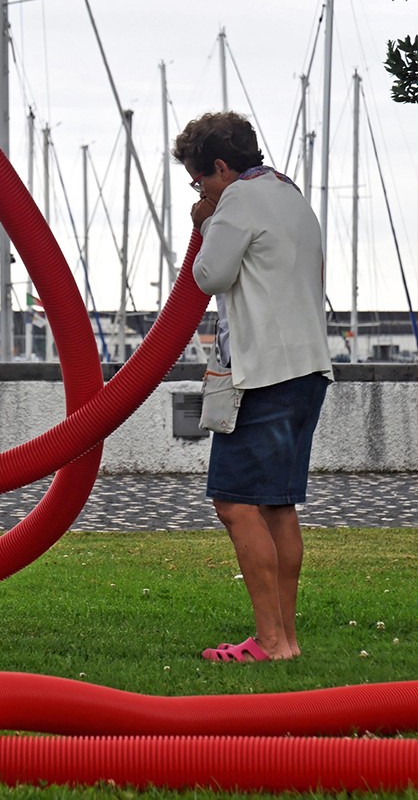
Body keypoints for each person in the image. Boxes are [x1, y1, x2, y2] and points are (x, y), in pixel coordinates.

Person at [172, 111, 332, 663]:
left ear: (220, 167)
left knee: (235, 502)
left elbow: (209, 276)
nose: (200, 192)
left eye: (199, 181)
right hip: (308, 369)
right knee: (277, 506)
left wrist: (204, 223)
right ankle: (285, 640)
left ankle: (269, 641)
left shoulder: (237, 200)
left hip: (264, 373)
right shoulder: (289, 193)